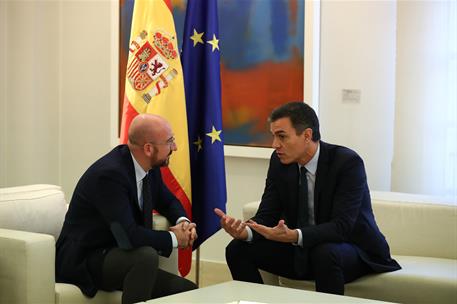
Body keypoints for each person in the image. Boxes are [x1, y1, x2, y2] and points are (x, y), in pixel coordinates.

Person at [215, 102, 400, 295]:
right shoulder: (279, 162)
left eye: (282, 136)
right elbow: (267, 214)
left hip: (352, 250)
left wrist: (295, 235)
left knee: (325, 253)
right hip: (303, 249)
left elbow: (342, 227)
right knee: (237, 249)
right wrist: (246, 232)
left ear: (307, 135)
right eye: (273, 136)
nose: (275, 145)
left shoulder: (346, 163)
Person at [56, 114, 197, 304]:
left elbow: (168, 201)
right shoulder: (109, 175)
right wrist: (175, 239)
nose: (175, 147)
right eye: (169, 141)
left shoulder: (148, 167)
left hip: (121, 256)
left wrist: (183, 222)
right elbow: (128, 236)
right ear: (148, 148)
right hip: (87, 258)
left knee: (188, 291)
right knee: (145, 256)